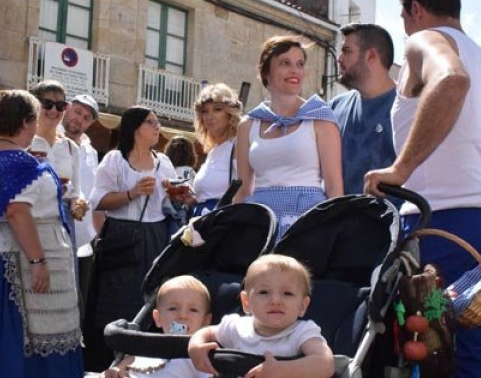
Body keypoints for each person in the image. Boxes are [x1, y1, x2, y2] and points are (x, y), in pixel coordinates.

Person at [362, 0, 481, 377]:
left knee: (436, 355)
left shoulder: (426, 39)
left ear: (415, 10)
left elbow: (450, 81)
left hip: (446, 223)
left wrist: (400, 168)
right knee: (464, 352)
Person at [0, 90, 83, 377]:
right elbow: (16, 211)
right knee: (19, 344)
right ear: (27, 122)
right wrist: (38, 262)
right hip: (12, 265)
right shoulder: (20, 163)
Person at [86, 106, 183, 371]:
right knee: (116, 301)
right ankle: (110, 362)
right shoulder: (115, 160)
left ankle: (145, 365)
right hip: (122, 237)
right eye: (151, 122)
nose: (157, 127)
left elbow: (173, 204)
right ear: (135, 127)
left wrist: (178, 195)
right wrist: (132, 192)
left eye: (157, 122)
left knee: (150, 298)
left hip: (156, 236)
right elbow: (98, 201)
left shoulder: (163, 162)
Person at [234, 36, 343, 241]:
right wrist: (232, 228)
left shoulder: (320, 118)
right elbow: (242, 189)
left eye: (300, 64)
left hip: (307, 220)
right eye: (285, 63)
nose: (295, 71)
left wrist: (333, 235)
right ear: (265, 72)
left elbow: (334, 187)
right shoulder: (248, 125)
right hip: (260, 221)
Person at [187, 254, 335, 378]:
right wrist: (195, 345)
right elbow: (207, 332)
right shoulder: (238, 327)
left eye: (287, 293)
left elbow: (325, 364)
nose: (276, 301)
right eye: (264, 292)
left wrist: (284, 370)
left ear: (303, 306)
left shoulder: (301, 333)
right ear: (246, 302)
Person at [60, 92, 105, 365]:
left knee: (78, 303)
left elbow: (94, 193)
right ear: (67, 109)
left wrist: (96, 231)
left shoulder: (90, 151)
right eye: (77, 112)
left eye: (86, 117)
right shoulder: (49, 138)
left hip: (83, 238)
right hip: (54, 232)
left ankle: (71, 359)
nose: (79, 119)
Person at [329, 23, 398, 195]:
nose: (339, 58)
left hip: (395, 219)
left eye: (347, 51)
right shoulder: (334, 108)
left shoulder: (408, 107)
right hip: (342, 218)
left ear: (371, 56)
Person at [103, 275, 213, 378]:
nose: (182, 316)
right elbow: (119, 369)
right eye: (172, 308)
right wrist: (115, 371)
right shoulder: (144, 350)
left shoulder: (199, 357)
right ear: (158, 318)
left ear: (205, 321)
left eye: (193, 310)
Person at [28, 80, 88, 238]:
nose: (54, 110)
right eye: (47, 104)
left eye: (60, 105)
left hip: (62, 222)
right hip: (30, 217)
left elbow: (76, 191)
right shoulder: (24, 142)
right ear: (34, 105)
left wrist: (79, 203)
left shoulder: (70, 147)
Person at [191, 83, 242, 216]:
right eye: (204, 111)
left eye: (217, 109)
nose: (210, 116)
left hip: (223, 225)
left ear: (230, 114)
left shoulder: (239, 144)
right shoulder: (213, 151)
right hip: (204, 223)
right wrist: (190, 200)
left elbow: (248, 190)